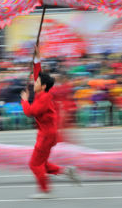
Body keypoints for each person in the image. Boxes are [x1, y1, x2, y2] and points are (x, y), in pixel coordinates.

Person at [20, 46, 79, 199]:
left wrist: (25, 101)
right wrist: (36, 58)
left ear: (43, 86)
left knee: (34, 164)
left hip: (46, 136)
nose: (34, 82)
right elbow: (37, 73)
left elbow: (30, 112)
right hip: (47, 134)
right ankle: (66, 171)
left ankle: (45, 191)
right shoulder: (43, 92)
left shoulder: (44, 98)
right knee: (43, 164)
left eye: (37, 81)